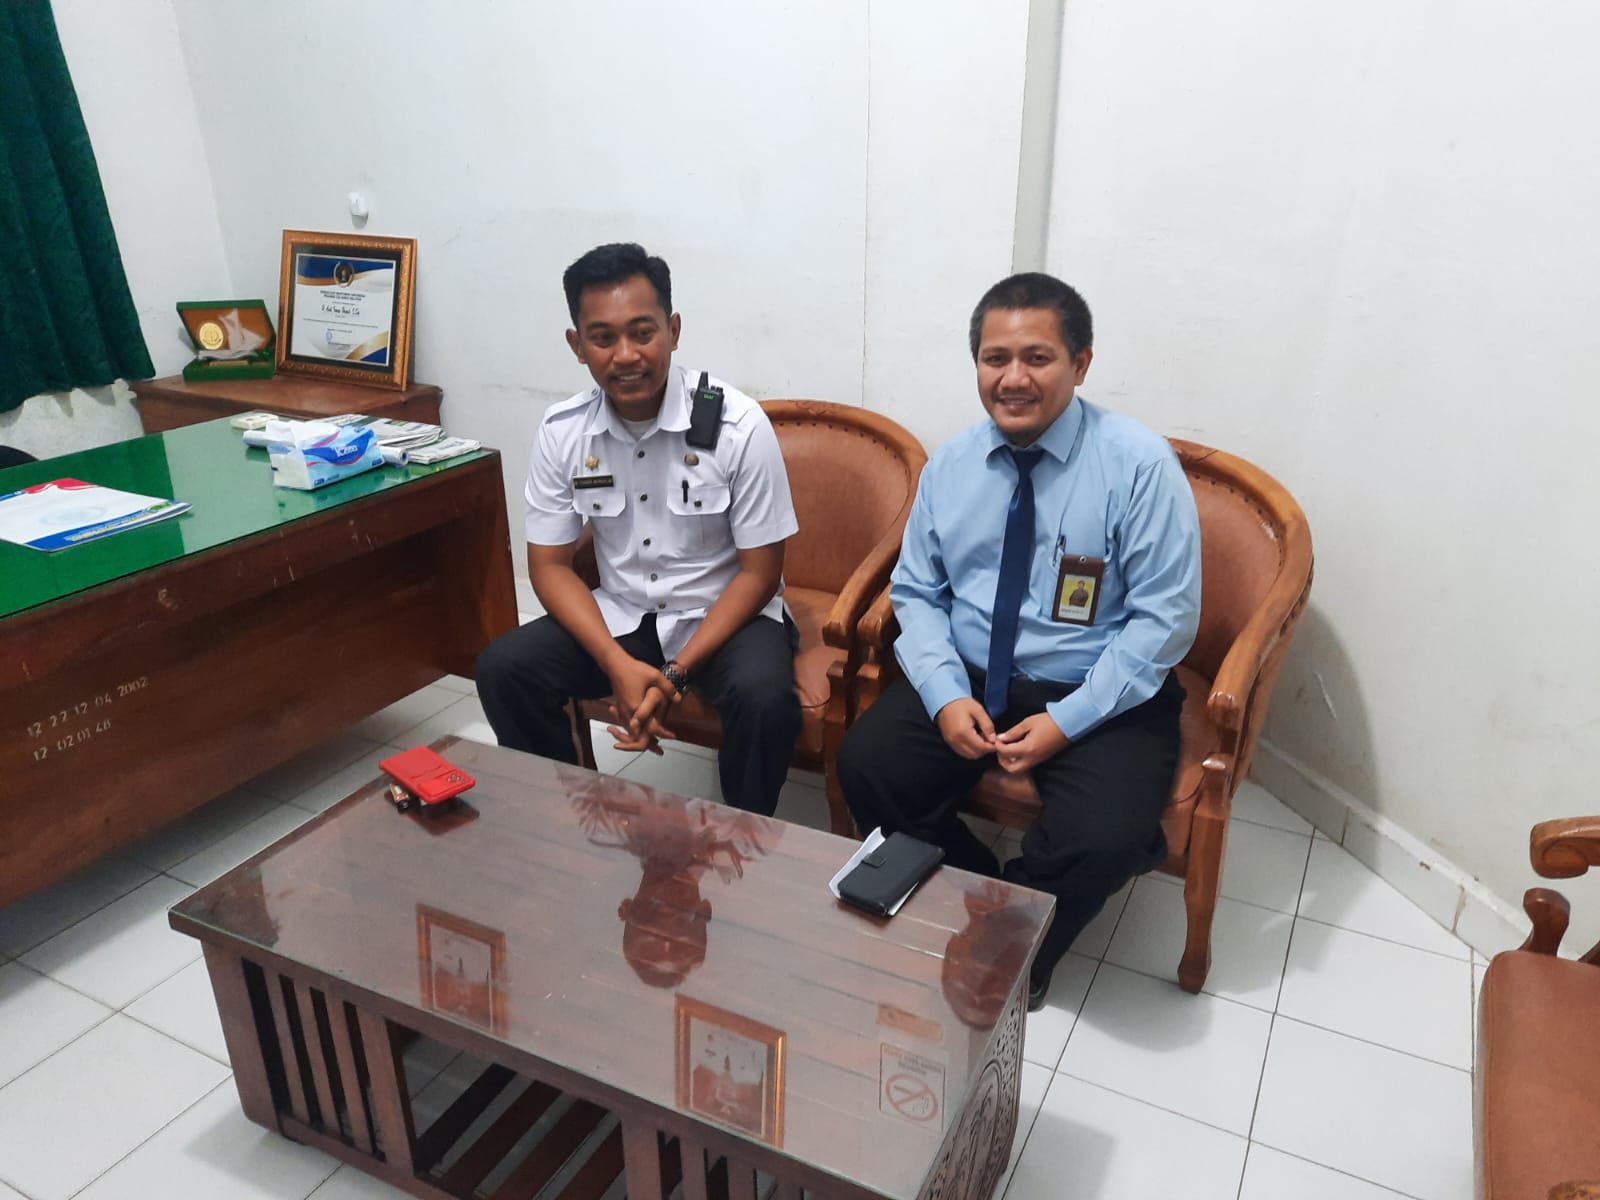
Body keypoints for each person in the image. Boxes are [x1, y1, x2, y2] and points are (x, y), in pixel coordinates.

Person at [836, 272, 1201, 1011]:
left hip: (1097, 686)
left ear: (1081, 363)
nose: (1013, 378)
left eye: (1037, 357)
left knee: (1105, 837)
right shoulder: (953, 466)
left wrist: (1067, 721)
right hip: (974, 674)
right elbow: (917, 592)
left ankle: (1017, 945)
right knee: (867, 766)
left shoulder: (1137, 466)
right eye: (994, 358)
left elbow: (1164, 619)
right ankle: (987, 900)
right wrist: (945, 696)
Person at [477, 243, 802, 816]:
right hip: (624, 614)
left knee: (764, 697)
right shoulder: (563, 432)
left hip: (725, 616)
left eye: (643, 332)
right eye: (602, 338)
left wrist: (674, 675)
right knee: (506, 668)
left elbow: (760, 573)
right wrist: (614, 662)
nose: (626, 355)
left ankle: (745, 834)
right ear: (577, 345)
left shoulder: (737, 424)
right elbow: (549, 566)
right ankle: (564, 820)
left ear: (673, 331)